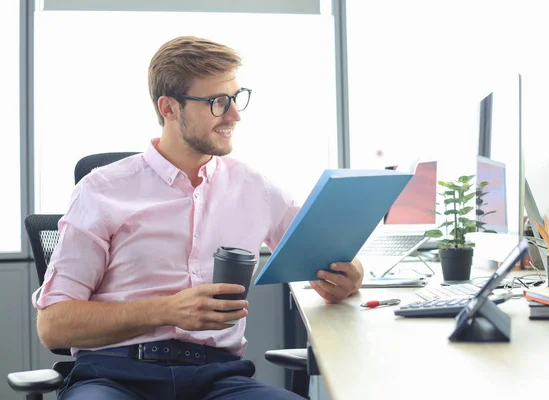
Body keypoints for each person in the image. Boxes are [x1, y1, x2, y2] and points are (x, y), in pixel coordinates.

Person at [32, 36, 364, 400]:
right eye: (218, 102)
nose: (235, 115)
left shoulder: (256, 187)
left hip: (218, 378)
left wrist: (350, 274)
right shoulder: (100, 190)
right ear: (170, 108)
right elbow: (53, 325)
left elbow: (326, 255)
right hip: (114, 375)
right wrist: (167, 310)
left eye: (237, 98)